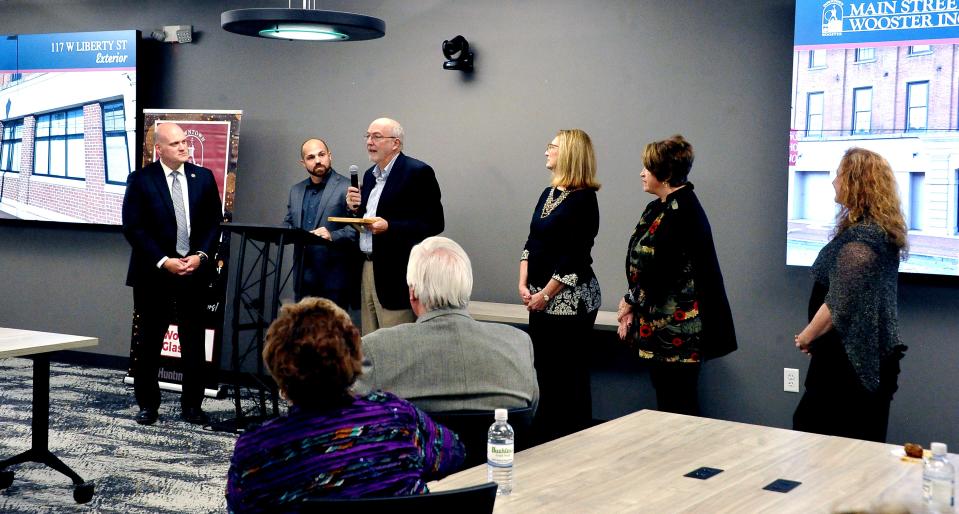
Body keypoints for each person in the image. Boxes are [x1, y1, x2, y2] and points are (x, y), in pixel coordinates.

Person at [226, 297, 464, 512]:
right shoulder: (396, 417)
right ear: (353, 354)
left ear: (277, 365)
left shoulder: (254, 452)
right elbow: (454, 454)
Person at [792, 148, 907, 442]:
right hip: (847, 358)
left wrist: (807, 335)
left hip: (848, 366)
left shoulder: (863, 241)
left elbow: (839, 303)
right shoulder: (874, 233)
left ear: (856, 182)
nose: (833, 182)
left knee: (820, 437)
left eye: (839, 175)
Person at [616, 134, 736, 416]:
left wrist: (629, 302)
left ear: (666, 173)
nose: (642, 173)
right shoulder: (658, 207)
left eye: (648, 167)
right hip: (658, 326)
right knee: (666, 403)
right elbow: (640, 262)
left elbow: (662, 272)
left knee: (679, 407)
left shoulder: (683, 211)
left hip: (679, 333)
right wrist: (631, 305)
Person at [354, 236, 539, 413]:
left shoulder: (374, 350)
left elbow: (351, 417)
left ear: (412, 293)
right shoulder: (520, 344)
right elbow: (530, 414)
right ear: (467, 287)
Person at [121, 122, 223, 426]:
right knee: (149, 342)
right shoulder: (140, 180)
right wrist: (164, 260)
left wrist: (201, 257)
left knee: (193, 342)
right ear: (159, 148)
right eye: (176, 143)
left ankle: (192, 406)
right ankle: (148, 405)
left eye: (185, 142)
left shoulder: (203, 177)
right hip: (155, 273)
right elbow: (133, 228)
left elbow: (212, 224)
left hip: (194, 272)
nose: (183, 147)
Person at [518, 129, 601, 442]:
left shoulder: (584, 200)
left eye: (551, 147)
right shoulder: (548, 193)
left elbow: (574, 258)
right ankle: (548, 438)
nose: (546, 151)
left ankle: (572, 437)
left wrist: (544, 294)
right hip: (540, 296)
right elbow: (532, 240)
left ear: (568, 154)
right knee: (545, 371)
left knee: (568, 374)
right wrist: (524, 281)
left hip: (571, 300)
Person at [346, 117, 444, 335]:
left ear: (396, 143)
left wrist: (390, 227)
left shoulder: (417, 172)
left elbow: (434, 223)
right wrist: (354, 210)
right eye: (368, 136)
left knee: (396, 346)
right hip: (368, 268)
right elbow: (368, 220)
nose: (369, 142)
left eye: (377, 136)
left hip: (396, 273)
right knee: (370, 343)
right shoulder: (370, 177)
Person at [283, 138, 357, 308]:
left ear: (330, 156)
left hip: (335, 280)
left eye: (321, 154)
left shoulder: (348, 187)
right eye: (311, 157)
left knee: (334, 333)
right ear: (303, 163)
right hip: (303, 278)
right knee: (304, 332)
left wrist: (332, 235)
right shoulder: (296, 190)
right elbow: (289, 223)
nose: (317, 160)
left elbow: (358, 229)